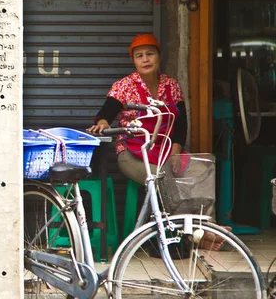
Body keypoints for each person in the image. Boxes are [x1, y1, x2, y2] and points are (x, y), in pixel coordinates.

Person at [87, 33, 227, 250]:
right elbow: (105, 113)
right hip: (133, 153)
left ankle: (208, 227)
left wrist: (176, 151)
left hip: (167, 151)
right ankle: (196, 235)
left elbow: (181, 124)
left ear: (159, 57)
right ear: (133, 61)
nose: (145, 59)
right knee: (167, 181)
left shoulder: (171, 85)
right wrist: (103, 122)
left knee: (201, 172)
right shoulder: (124, 86)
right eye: (139, 56)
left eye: (150, 54)